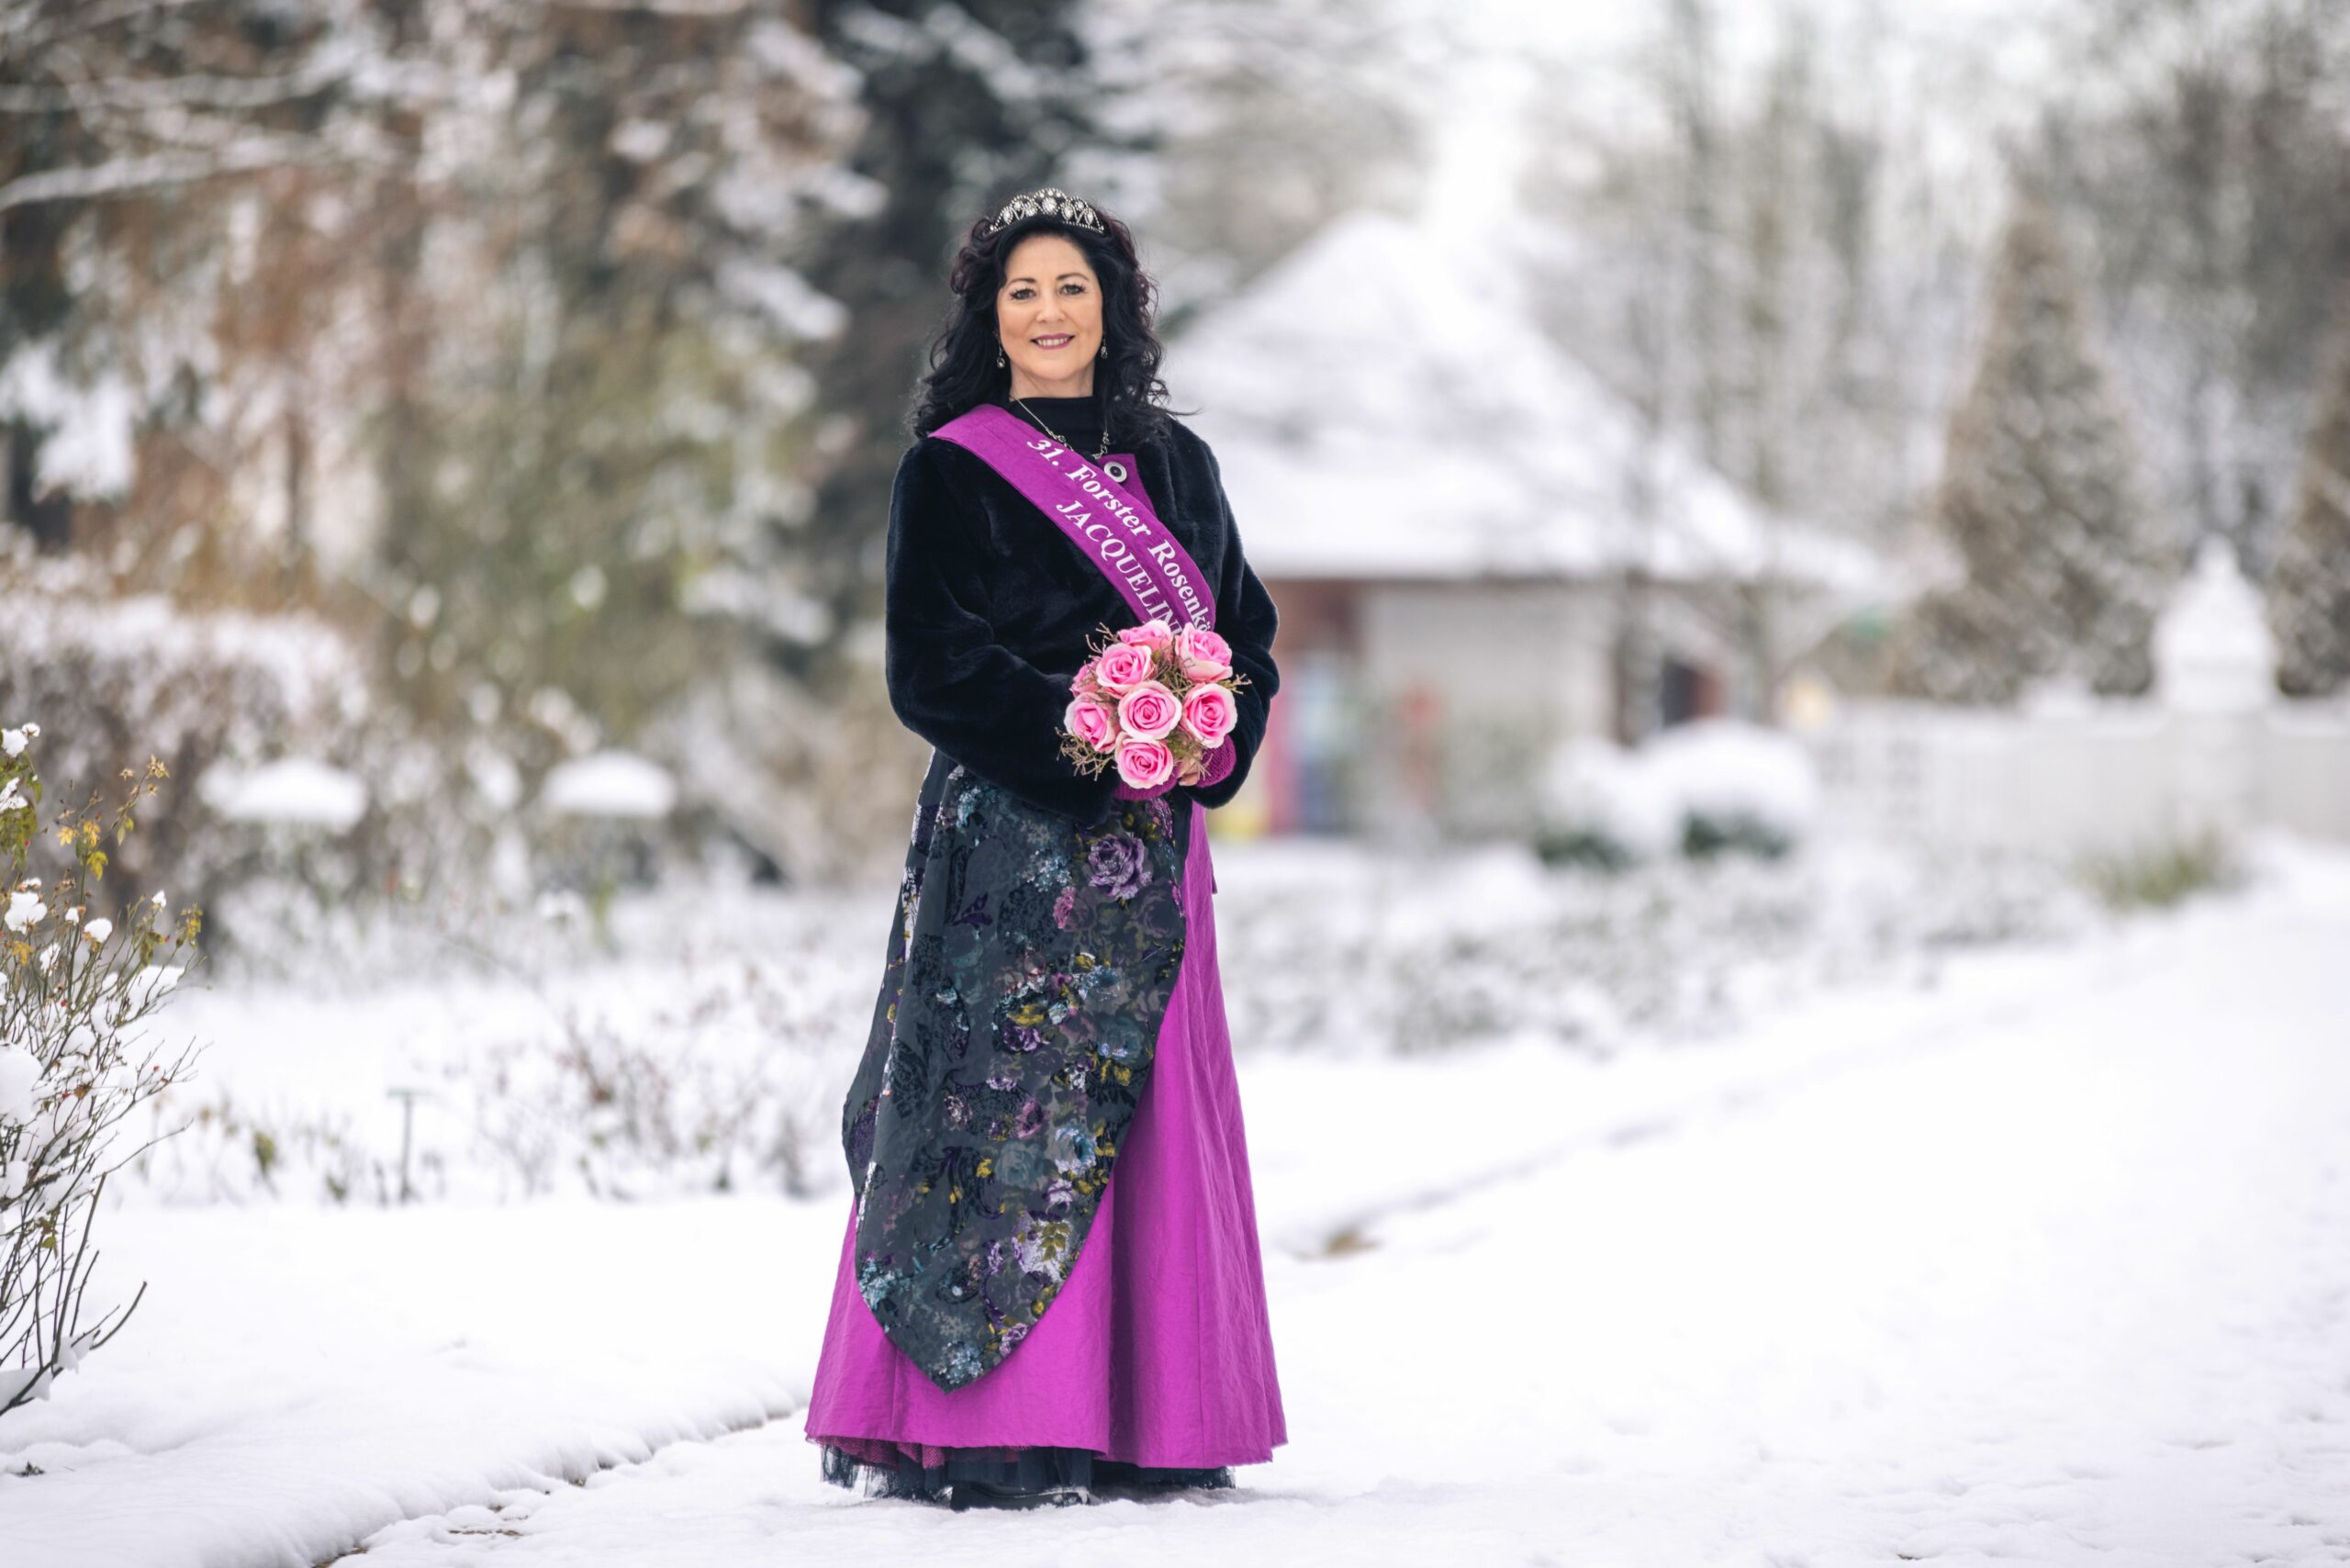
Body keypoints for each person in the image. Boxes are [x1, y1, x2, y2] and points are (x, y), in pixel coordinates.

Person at [801, 185, 1287, 1509]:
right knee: (997, 1119)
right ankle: (993, 1420)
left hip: (1155, 849)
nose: (1049, 312)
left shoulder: (1181, 466)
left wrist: (1199, 733)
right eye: (1023, 291)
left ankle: (1149, 1417)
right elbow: (933, 670)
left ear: (1114, 308)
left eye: (1073, 287)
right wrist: (1088, 733)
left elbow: (1244, 636)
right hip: (1009, 847)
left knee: (1139, 1113)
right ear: (989, 316)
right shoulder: (951, 466)